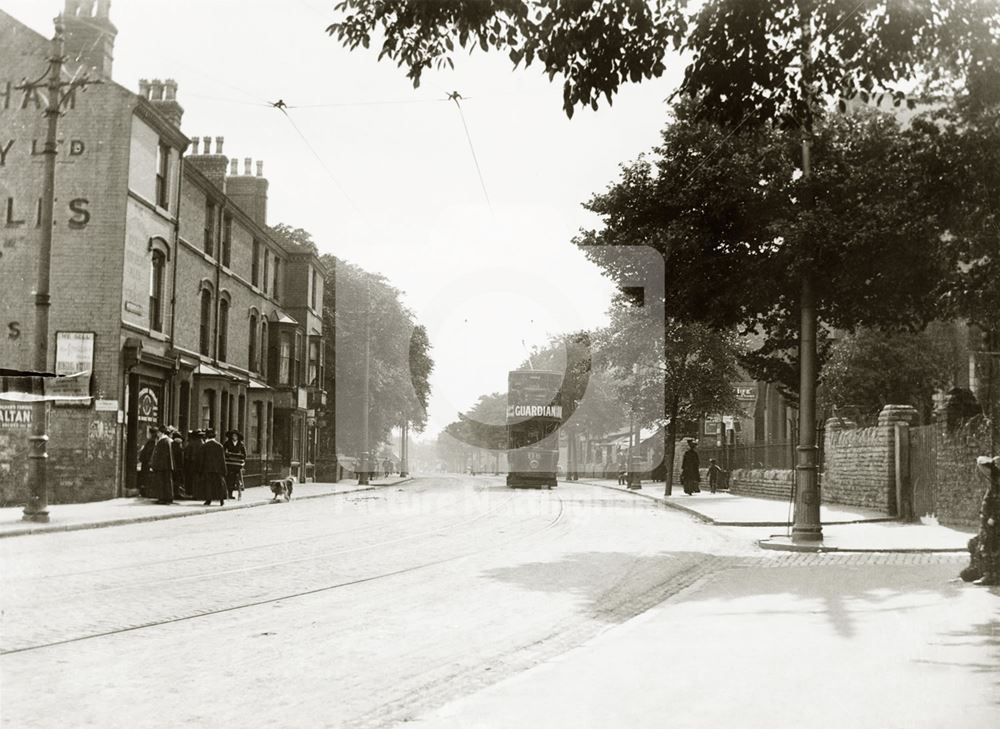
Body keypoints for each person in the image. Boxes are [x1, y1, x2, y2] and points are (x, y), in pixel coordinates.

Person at [200, 428, 227, 506]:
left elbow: (202, 459)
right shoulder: (220, 446)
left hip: (207, 469)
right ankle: (221, 500)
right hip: (218, 469)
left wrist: (201, 469)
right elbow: (222, 460)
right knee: (219, 484)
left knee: (208, 485)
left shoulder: (204, 446)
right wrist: (224, 470)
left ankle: (208, 500)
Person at [150, 424, 174, 505]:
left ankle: (163, 498)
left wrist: (156, 465)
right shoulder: (166, 441)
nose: (157, 434)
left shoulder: (163, 441)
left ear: (161, 432)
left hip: (162, 466)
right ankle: (167, 497)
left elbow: (161, 455)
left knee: (162, 482)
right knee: (166, 482)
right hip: (165, 466)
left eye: (158, 432)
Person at [224, 430, 247, 500]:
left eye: (236, 436)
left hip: (237, 464)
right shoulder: (227, 443)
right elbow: (223, 451)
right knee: (228, 478)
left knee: (235, 478)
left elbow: (244, 454)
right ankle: (228, 493)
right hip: (229, 463)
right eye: (233, 436)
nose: (234, 437)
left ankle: (235, 493)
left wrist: (241, 459)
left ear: (238, 437)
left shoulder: (241, 444)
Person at [184, 430, 205, 501]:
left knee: (191, 479)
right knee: (199, 479)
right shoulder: (203, 443)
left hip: (192, 464)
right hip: (201, 464)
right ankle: (199, 494)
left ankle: (192, 493)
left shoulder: (191, 443)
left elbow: (186, 455)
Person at [137, 427, 156, 497]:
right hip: (147, 462)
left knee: (146, 478)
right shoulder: (152, 441)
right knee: (146, 478)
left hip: (147, 463)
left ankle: (146, 492)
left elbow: (148, 453)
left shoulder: (151, 442)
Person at [170, 429, 186, 499]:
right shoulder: (177, 446)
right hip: (177, 466)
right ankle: (176, 493)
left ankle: (175, 493)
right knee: (177, 480)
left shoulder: (172, 445)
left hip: (174, 466)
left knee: (175, 480)